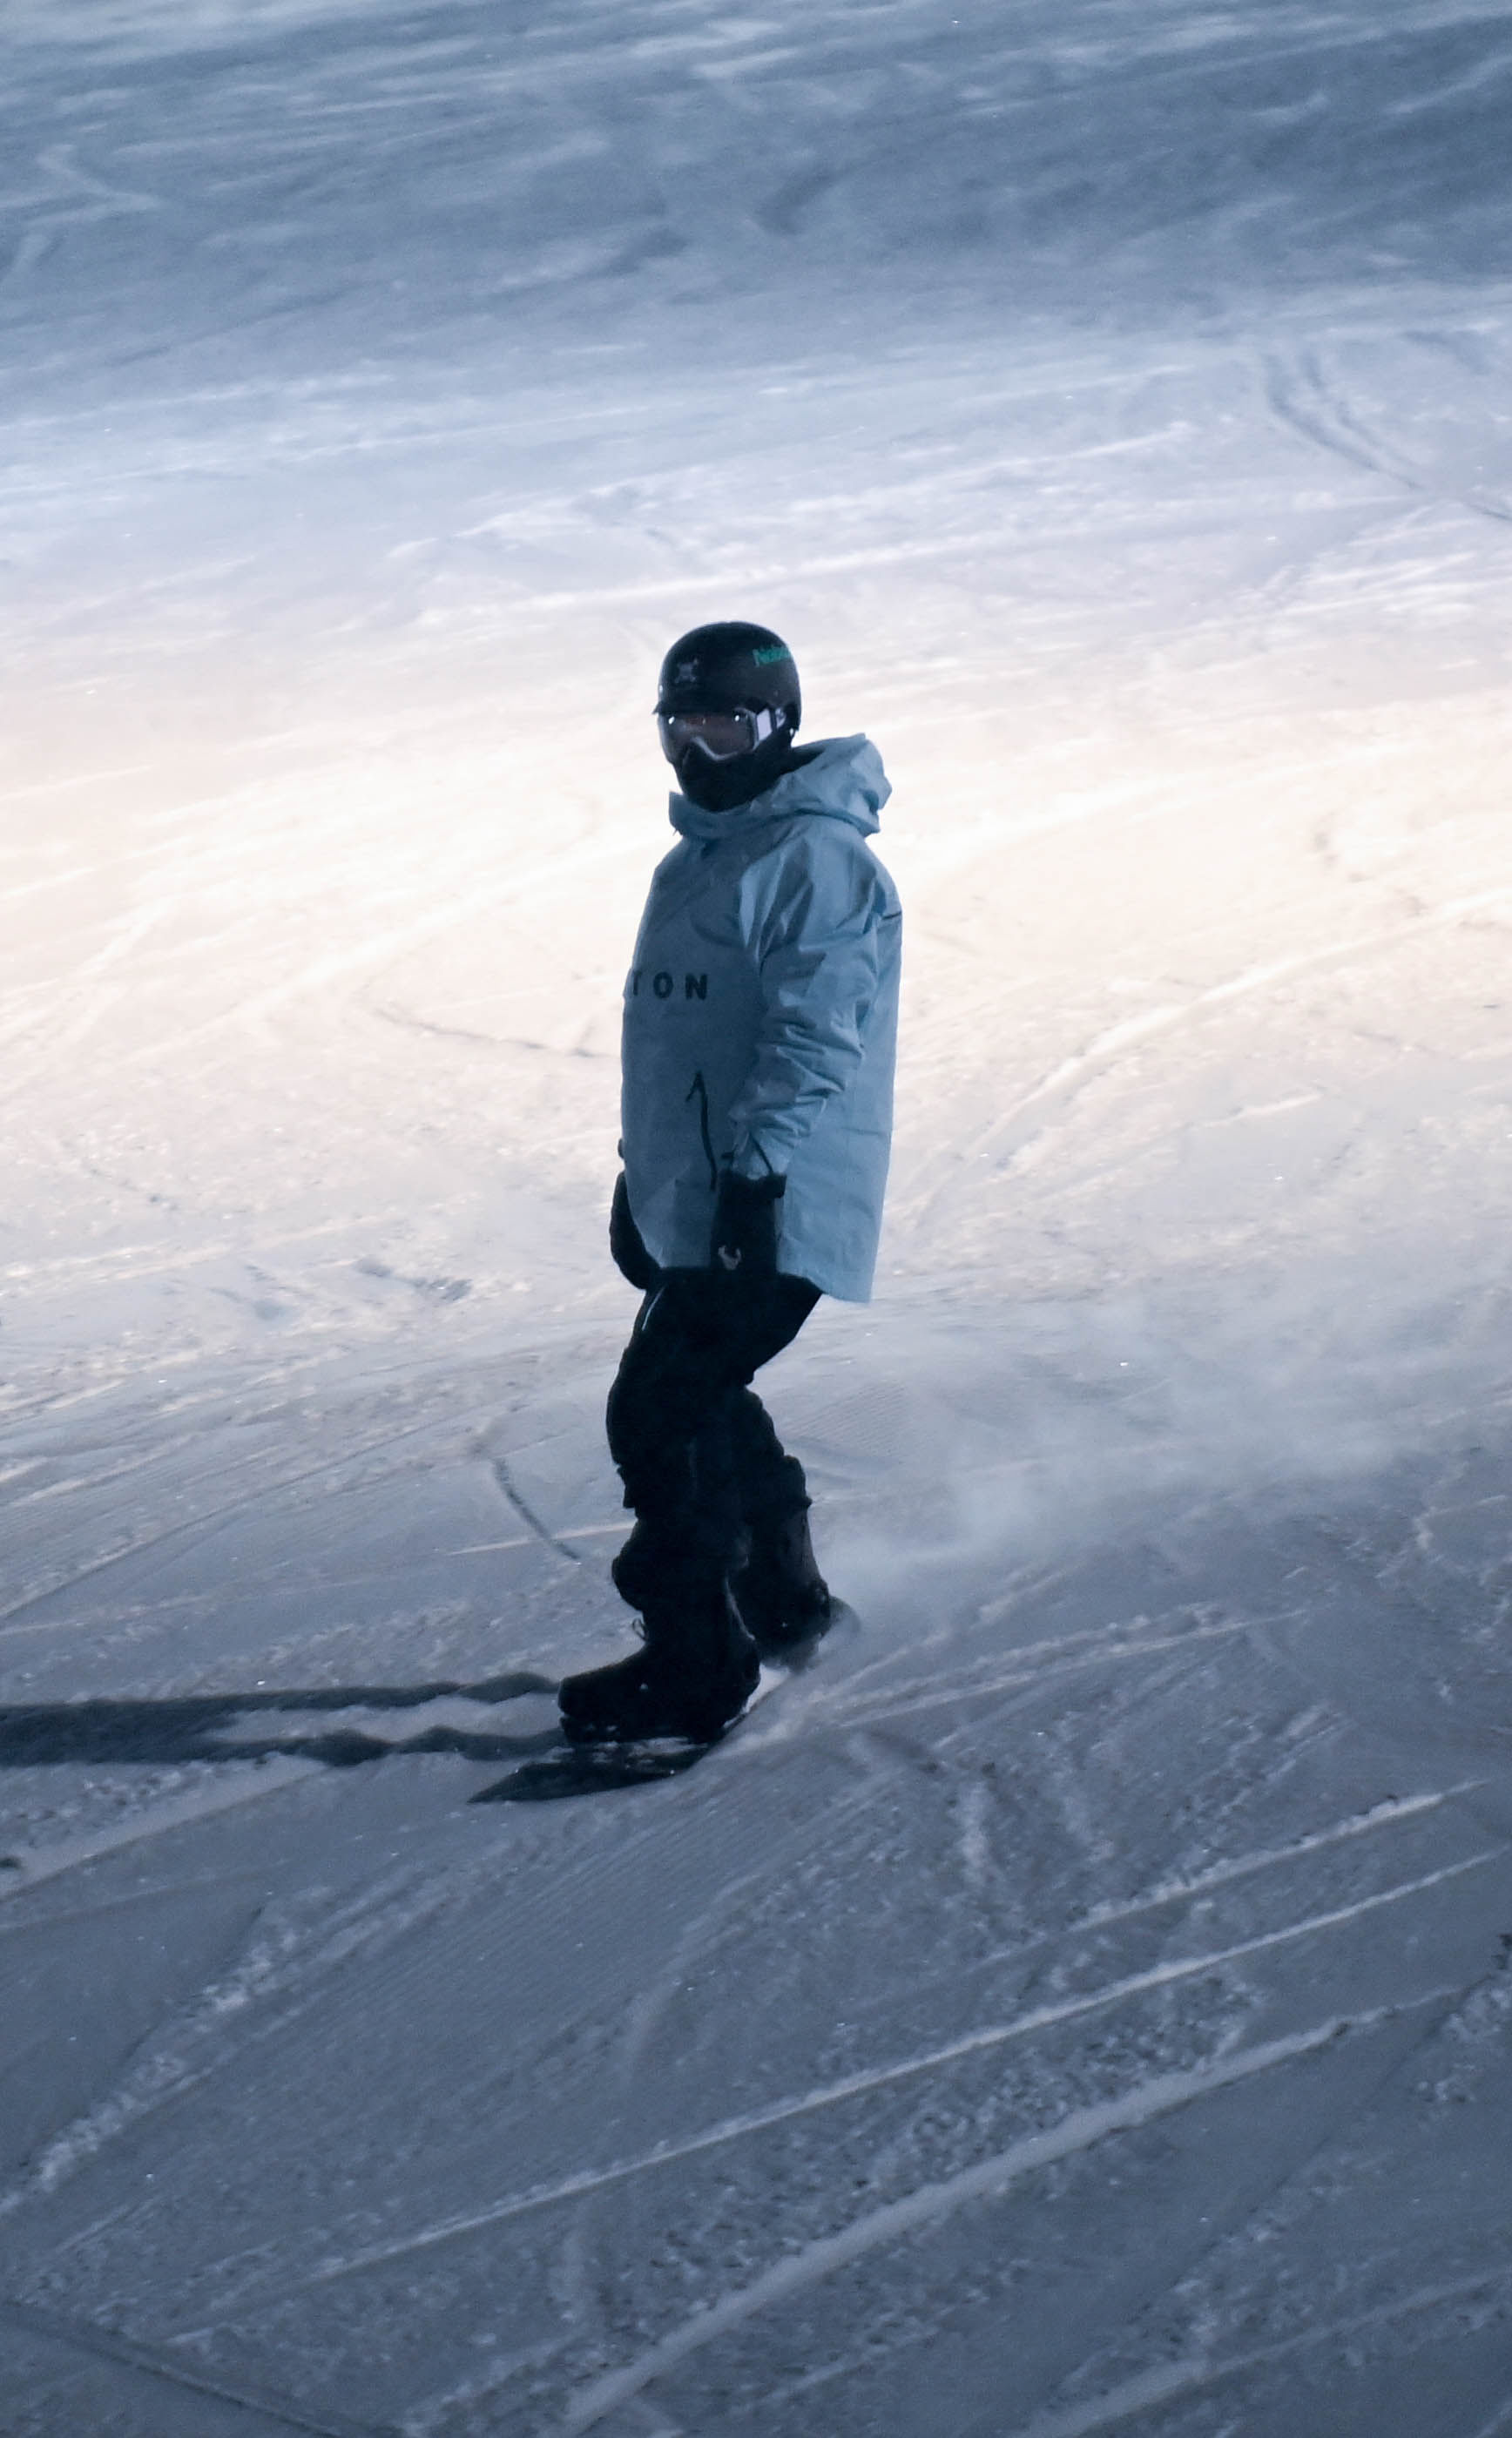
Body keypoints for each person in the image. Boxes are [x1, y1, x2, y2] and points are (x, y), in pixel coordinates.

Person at [558, 621, 902, 1744]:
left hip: (778, 1197)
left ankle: (696, 1670)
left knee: (657, 1411)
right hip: (707, 1200)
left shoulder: (819, 860)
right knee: (700, 1398)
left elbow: (812, 1041)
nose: (704, 753)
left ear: (780, 726)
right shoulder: (695, 863)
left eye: (730, 726)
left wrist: (753, 1183)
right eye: (685, 726)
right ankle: (791, 1610)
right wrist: (642, 1183)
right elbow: (676, 1055)